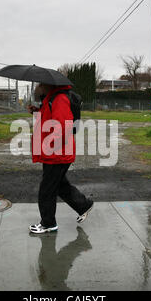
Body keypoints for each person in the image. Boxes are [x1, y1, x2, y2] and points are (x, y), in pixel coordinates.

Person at [27, 83, 93, 234]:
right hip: (55, 151)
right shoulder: (51, 99)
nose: (39, 87)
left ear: (49, 85)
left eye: (41, 85)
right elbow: (49, 120)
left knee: (46, 190)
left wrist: (50, 145)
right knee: (59, 185)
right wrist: (36, 112)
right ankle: (83, 205)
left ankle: (48, 223)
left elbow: (64, 126)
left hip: (57, 152)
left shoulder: (59, 99)